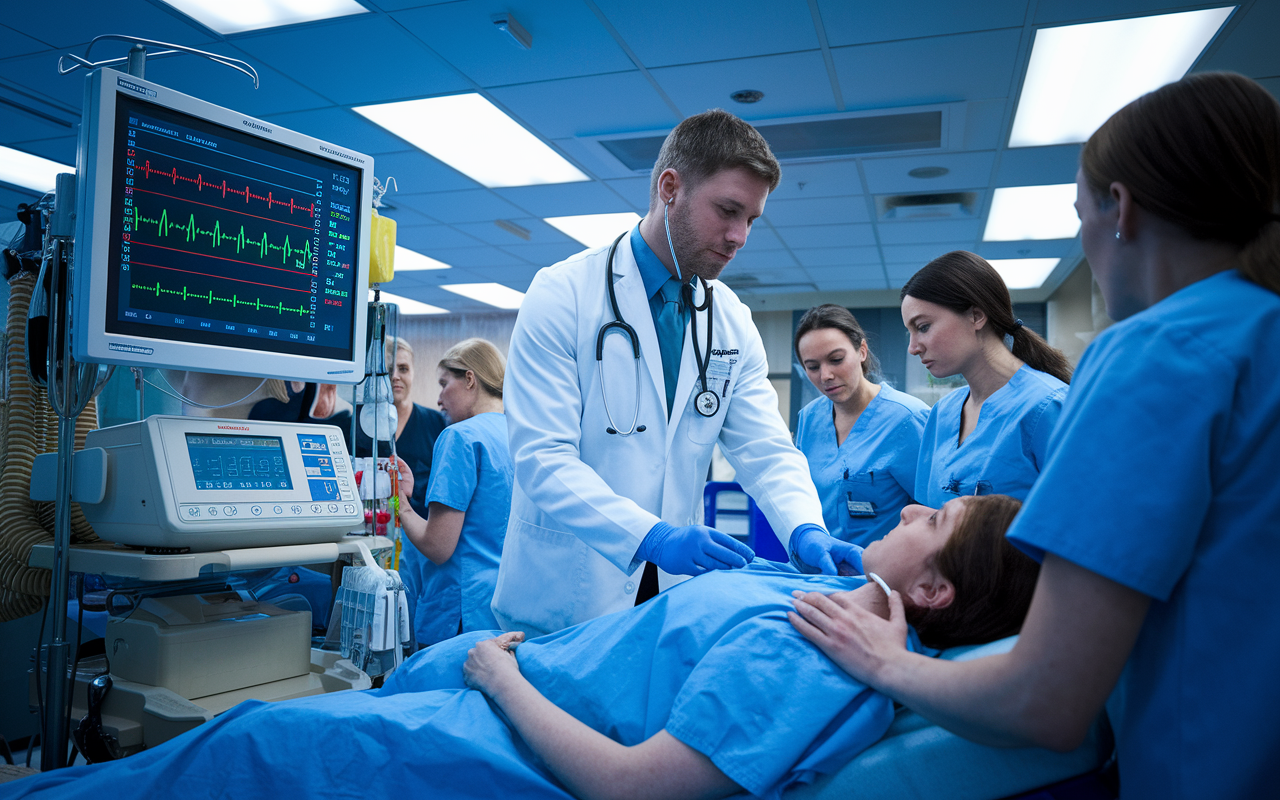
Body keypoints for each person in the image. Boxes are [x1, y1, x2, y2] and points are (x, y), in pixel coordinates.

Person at [787, 72, 1280, 799]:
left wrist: (882, 660)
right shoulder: (1256, 331)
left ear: (1121, 210)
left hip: (1201, 758)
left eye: (1081, 215)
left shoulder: (1160, 353)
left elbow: (1046, 698)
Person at [2, 495, 1039, 800]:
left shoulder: (819, 643)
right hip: (483, 698)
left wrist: (497, 671)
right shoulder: (823, 597)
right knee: (251, 737)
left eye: (935, 515)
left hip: (495, 737)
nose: (910, 501)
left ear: (934, 587)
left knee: (251, 744)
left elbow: (639, 789)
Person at [495, 109, 856, 636]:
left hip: (669, 594)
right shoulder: (562, 294)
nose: (740, 237)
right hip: (567, 591)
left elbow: (765, 448)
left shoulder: (729, 317)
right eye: (728, 211)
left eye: (751, 219)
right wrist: (653, 537)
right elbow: (542, 458)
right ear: (670, 187)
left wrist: (804, 527)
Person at [900, 251, 1072, 507]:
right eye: (910, 333)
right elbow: (928, 515)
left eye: (923, 327)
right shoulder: (942, 414)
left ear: (976, 316)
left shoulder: (1048, 407)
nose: (913, 348)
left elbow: (1080, 524)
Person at [394, 338, 513, 647]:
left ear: (470, 379)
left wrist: (400, 503)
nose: (439, 399)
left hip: (461, 615)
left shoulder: (459, 437)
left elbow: (438, 546)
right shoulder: (519, 435)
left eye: (444, 384)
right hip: (504, 608)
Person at [793, 305, 929, 548]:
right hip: (818, 567)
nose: (825, 375)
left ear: (862, 351)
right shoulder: (809, 419)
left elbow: (933, 513)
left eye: (836, 360)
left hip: (880, 574)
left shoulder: (907, 419)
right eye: (813, 367)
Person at [354, 336, 446, 518]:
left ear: (412, 373)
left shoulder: (435, 423)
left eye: (403, 369)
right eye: (388, 369)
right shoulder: (357, 422)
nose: (395, 376)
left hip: (420, 529)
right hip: (369, 525)